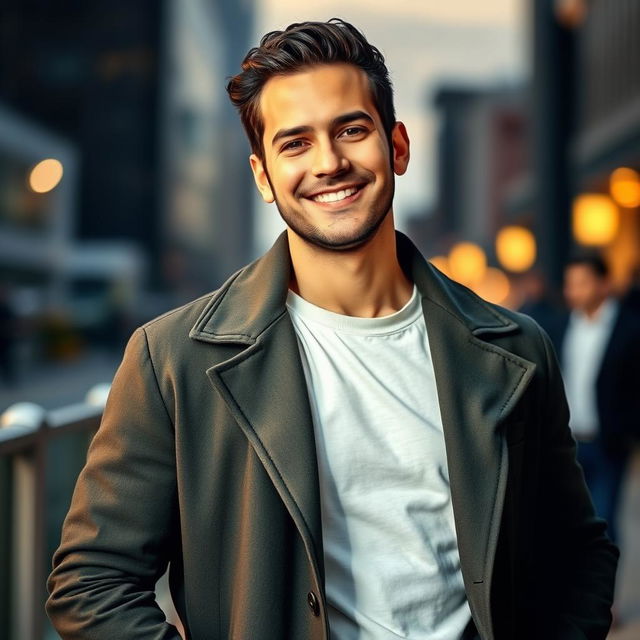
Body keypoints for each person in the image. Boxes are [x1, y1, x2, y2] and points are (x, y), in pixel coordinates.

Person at [47, 19, 618, 640]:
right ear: (263, 175)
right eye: (294, 144)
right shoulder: (172, 359)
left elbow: (578, 553)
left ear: (396, 146)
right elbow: (92, 584)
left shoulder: (515, 347)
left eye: (351, 129)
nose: (330, 162)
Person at [560, 255, 640, 544]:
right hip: (569, 444)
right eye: (570, 284)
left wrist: (628, 431)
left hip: (608, 442)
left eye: (582, 283)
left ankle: (605, 589)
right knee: (571, 525)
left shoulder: (629, 329)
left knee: (603, 524)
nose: (573, 291)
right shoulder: (561, 325)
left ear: (604, 284)